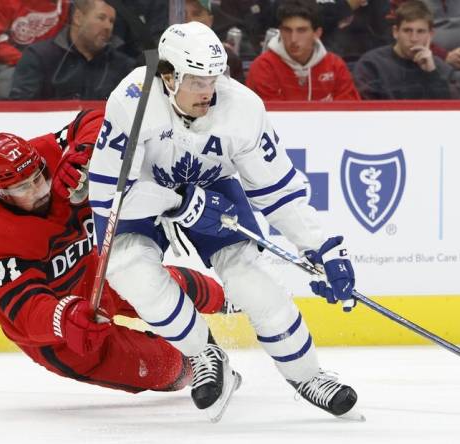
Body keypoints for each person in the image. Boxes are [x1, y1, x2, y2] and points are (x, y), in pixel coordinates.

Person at [88, 21, 361, 421]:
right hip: (143, 195)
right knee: (131, 271)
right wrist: (178, 202)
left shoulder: (243, 108)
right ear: (168, 76)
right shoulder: (132, 99)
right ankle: (204, 354)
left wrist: (320, 247)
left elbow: (278, 190)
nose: (208, 91)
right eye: (197, 81)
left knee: (251, 279)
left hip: (213, 187)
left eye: (213, 79)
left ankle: (308, 376)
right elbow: (109, 196)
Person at [0, 108, 230, 396]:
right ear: (1, 193)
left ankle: (230, 297)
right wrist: (63, 317)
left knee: (152, 282)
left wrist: (84, 153)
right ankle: (200, 369)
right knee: (159, 367)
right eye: (24, 187)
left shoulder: (46, 152)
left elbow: (100, 119)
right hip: (66, 332)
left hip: (94, 272)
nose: (40, 189)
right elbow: (24, 309)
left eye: (39, 176)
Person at [9, 0, 135, 100]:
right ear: (78, 18)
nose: (108, 26)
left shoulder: (123, 66)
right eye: (101, 18)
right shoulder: (39, 57)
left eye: (111, 21)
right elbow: (20, 111)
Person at [246, 0, 360, 101]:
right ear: (280, 31)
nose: (293, 39)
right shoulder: (264, 67)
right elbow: (267, 120)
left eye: (301, 31)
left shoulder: (335, 66)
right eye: (287, 30)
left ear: (317, 33)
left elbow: (350, 115)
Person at [353, 0, 453, 99]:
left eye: (421, 31)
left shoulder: (440, 68)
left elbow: (456, 111)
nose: (414, 38)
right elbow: (365, 110)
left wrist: (432, 74)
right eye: (407, 31)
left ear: (430, 35)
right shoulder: (371, 65)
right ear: (395, 32)